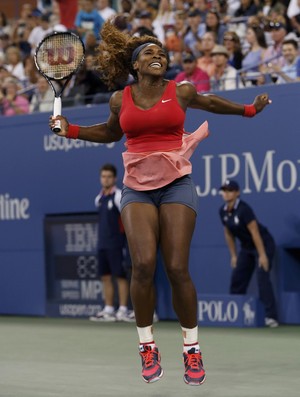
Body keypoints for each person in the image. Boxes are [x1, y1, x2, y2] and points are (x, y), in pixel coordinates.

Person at [49, 20, 271, 385]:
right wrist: (69, 129)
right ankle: (147, 346)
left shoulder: (180, 91)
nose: (158, 55)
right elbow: (109, 133)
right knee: (143, 265)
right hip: (136, 188)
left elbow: (210, 101)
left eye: (162, 53)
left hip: (176, 185)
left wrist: (249, 110)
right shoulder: (120, 98)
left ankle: (192, 350)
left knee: (177, 267)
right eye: (149, 52)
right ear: (135, 65)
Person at [219, 180, 279, 328]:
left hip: (263, 244)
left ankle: (271, 317)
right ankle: (235, 313)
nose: (227, 193)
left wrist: (263, 255)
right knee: (238, 277)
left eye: (230, 190)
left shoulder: (244, 209)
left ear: (237, 192)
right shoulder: (222, 211)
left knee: (262, 277)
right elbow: (228, 234)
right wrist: (234, 255)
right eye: (224, 190)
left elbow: (255, 232)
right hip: (246, 247)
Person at [89, 163, 132, 322]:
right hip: (102, 243)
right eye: (103, 176)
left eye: (108, 176)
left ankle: (122, 309)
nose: (105, 179)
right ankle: (108, 309)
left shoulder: (119, 196)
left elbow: (127, 220)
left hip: (117, 243)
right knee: (105, 277)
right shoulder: (98, 199)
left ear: (114, 178)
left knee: (120, 276)